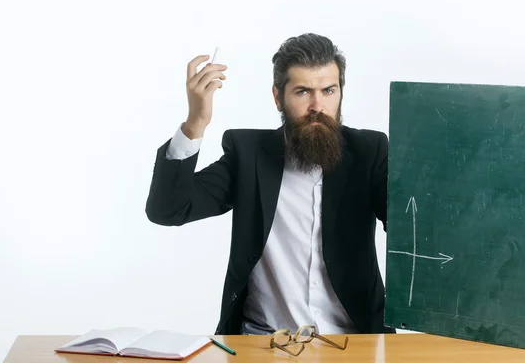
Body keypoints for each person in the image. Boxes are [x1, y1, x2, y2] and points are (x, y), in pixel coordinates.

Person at [146, 33, 394, 336]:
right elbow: (169, 210)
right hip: (263, 342)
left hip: (354, 341)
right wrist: (195, 122)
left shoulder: (369, 152)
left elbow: (411, 228)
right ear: (278, 96)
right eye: (303, 91)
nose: (318, 105)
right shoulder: (249, 154)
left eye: (328, 90)